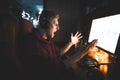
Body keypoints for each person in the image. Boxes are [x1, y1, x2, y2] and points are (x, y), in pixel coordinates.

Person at [18, 10, 98, 80]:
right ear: (46, 24)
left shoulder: (45, 40)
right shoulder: (33, 44)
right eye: (56, 24)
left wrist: (71, 43)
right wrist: (81, 53)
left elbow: (59, 52)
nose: (58, 28)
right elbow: (54, 69)